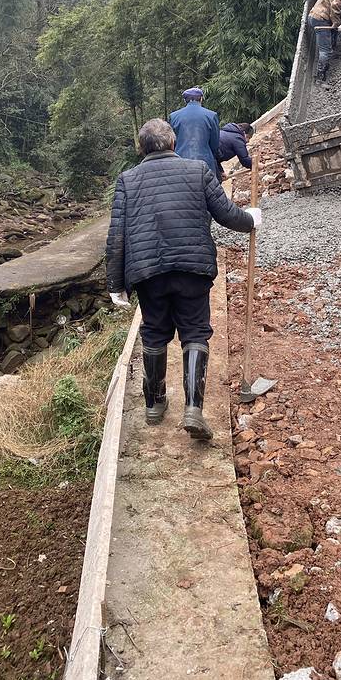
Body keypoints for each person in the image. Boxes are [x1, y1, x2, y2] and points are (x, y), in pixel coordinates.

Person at [106, 118, 261, 442]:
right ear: (173, 143)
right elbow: (226, 213)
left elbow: (117, 236)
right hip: (193, 269)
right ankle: (193, 408)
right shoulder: (197, 171)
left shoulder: (127, 180)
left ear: (141, 148)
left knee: (154, 332)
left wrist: (115, 284)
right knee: (195, 332)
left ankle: (154, 403)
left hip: (148, 273)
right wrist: (250, 220)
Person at [169, 86, 220, 174]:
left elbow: (171, 142)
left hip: (180, 162)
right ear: (201, 99)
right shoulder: (211, 116)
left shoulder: (173, 116)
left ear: (185, 101)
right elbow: (214, 144)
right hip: (205, 162)